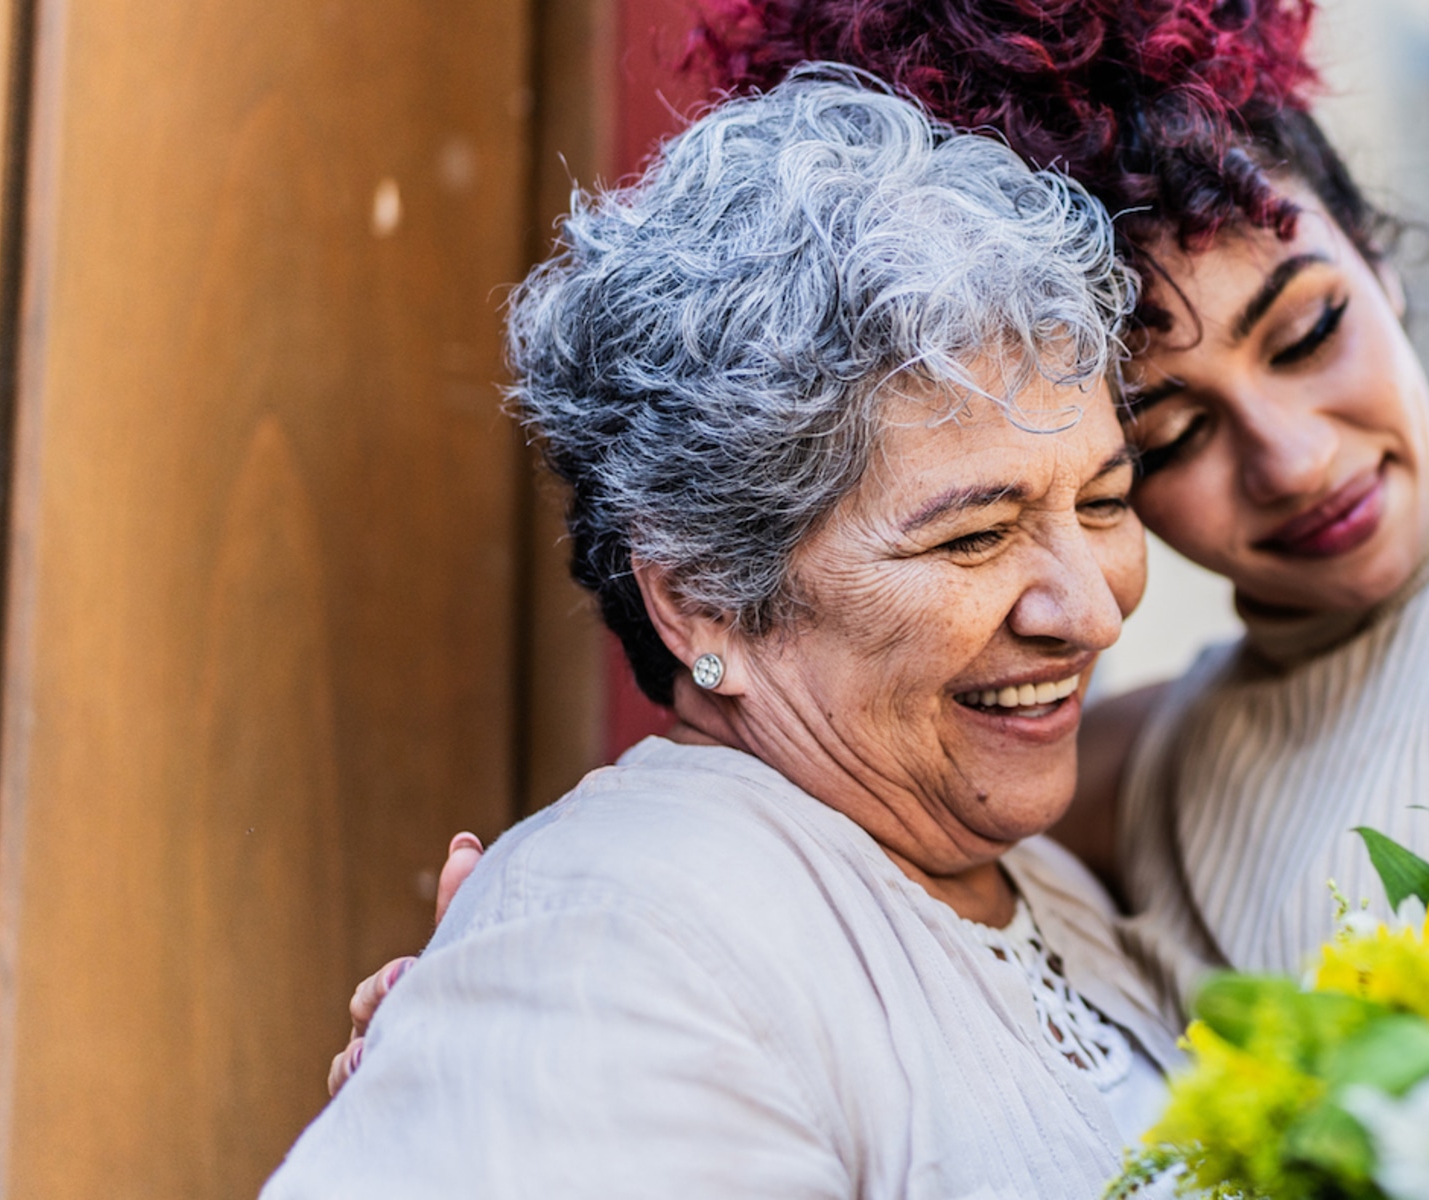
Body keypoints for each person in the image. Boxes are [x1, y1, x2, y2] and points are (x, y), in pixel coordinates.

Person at [333, 0, 1429, 1074]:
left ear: (1376, 255)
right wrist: (508, 994)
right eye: (1164, 437)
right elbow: (810, 798)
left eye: (1308, 329)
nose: (1293, 457)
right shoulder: (1119, 764)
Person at [270, 68, 1178, 1196]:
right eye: (976, 538)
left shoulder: (1032, 877)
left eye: (1100, 502)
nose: (1089, 609)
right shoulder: (617, 939)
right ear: (705, 597)